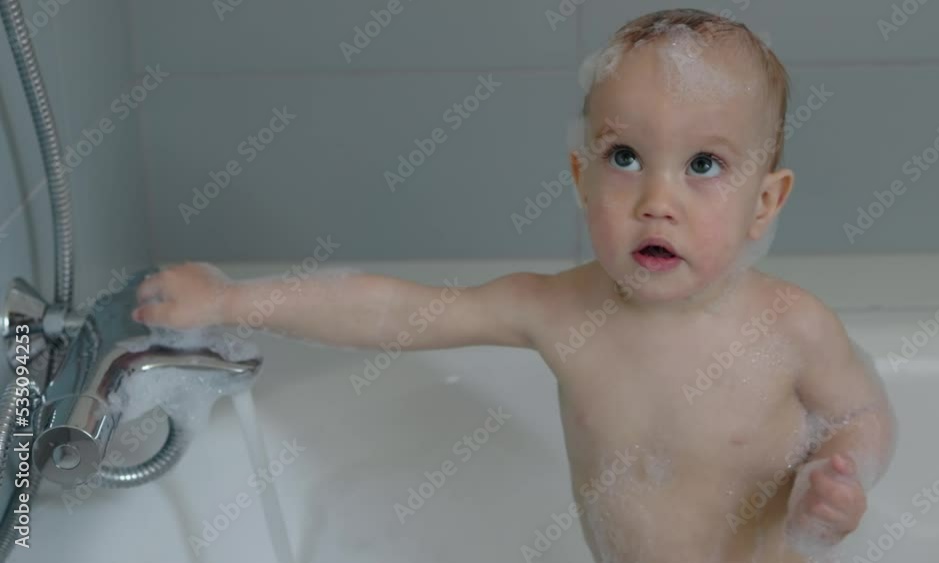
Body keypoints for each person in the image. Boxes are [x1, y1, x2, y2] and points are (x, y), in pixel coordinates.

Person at [132, 9, 896, 562]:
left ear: (766, 200)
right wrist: (232, 300)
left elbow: (860, 414)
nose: (657, 199)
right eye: (625, 156)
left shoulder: (792, 326)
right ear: (579, 175)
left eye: (704, 165)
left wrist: (838, 484)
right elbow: (401, 310)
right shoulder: (560, 310)